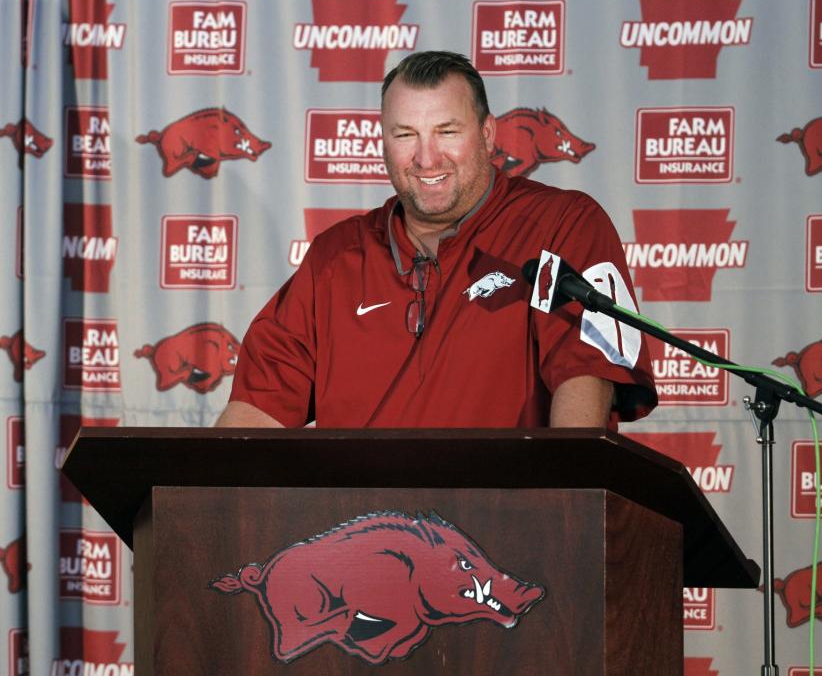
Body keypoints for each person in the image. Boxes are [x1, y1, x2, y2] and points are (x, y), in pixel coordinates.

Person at [216, 51, 656, 429]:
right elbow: (257, 407)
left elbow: (585, 376)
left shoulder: (561, 223)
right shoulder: (335, 255)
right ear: (383, 141)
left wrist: (563, 509)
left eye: (447, 131)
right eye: (405, 134)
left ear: (487, 133)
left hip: (508, 520)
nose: (426, 158)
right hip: (361, 522)